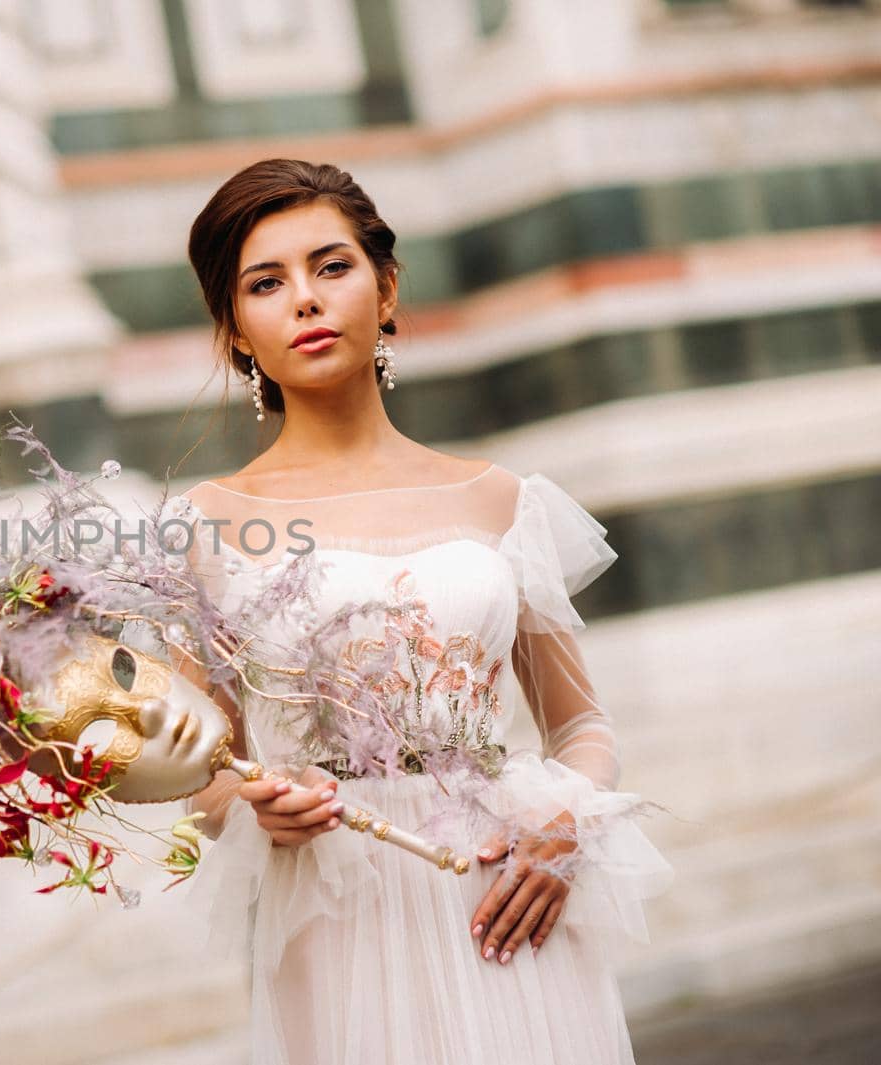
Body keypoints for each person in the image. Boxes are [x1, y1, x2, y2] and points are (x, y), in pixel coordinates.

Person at [169, 159, 673, 1065]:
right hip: (336, 915)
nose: (306, 301)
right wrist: (252, 800)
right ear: (236, 330)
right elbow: (194, 766)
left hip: (508, 899)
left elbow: (582, 724)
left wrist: (565, 822)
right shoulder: (206, 526)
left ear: (386, 284)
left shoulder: (498, 497)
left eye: (332, 266)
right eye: (265, 283)